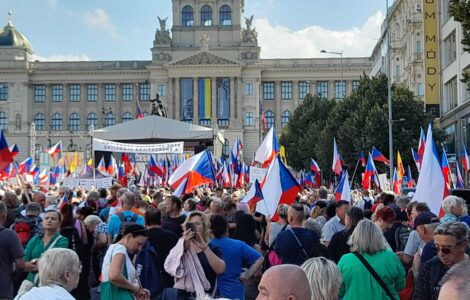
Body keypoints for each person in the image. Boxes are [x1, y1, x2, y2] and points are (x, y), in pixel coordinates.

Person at [338, 219, 406, 300]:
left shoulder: (345, 260)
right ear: (379, 236)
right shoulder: (390, 257)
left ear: (355, 237)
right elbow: (401, 285)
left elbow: (339, 290)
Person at [163, 211, 225, 298]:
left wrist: (205, 248)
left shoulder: (212, 248)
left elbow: (220, 270)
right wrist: (182, 246)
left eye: (197, 223)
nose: (194, 226)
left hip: (206, 295)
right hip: (183, 296)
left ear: (204, 227)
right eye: (191, 224)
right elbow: (169, 267)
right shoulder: (180, 247)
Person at [210, 214, 263, 300]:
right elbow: (260, 258)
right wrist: (247, 274)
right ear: (226, 229)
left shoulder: (206, 247)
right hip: (235, 291)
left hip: (213, 292)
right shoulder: (238, 244)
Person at [413, 222, 469, 300]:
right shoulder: (429, 267)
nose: (440, 254)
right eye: (436, 248)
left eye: (446, 249)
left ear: (463, 245)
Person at [100, 224, 150, 300]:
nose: (139, 248)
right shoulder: (120, 248)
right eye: (138, 244)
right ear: (129, 237)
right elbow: (114, 276)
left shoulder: (117, 249)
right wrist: (133, 288)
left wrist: (138, 290)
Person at [23, 210, 69, 286]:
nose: (49, 220)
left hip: (50, 284)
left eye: (53, 219)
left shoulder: (62, 240)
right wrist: (44, 264)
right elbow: (23, 265)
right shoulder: (34, 240)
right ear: (42, 222)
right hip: (31, 283)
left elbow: (54, 265)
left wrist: (33, 262)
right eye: (46, 218)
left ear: (59, 223)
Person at [16, 248, 80, 300]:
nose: (79, 273)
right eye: (79, 269)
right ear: (67, 275)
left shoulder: (23, 296)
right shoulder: (66, 298)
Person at [142, 208, 178, 296]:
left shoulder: (142, 239)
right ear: (160, 221)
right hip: (170, 281)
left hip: (148, 282)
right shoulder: (172, 236)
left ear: (145, 222)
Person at [0, 200, 25, 300]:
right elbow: (21, 265)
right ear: (4, 216)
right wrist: (13, 275)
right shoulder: (9, 235)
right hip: (3, 288)